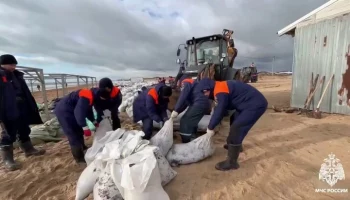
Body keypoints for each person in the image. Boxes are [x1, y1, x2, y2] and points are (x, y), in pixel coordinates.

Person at [197, 78, 267, 171]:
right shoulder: (219, 86)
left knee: (237, 127)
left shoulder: (220, 91)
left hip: (255, 105)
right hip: (246, 104)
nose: (204, 95)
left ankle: (232, 162)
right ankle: (236, 146)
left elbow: (220, 110)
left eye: (204, 92)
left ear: (209, 88)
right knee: (234, 119)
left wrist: (210, 127)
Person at [54, 78, 122, 164]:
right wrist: (85, 126)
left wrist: (93, 121)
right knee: (73, 133)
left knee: (78, 130)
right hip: (64, 111)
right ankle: (79, 159)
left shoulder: (92, 97)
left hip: (72, 110)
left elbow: (88, 110)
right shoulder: (87, 96)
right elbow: (79, 112)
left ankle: (82, 147)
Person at [0, 54, 46, 171]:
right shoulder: (1, 75)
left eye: (15, 64)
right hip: (7, 111)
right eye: (11, 64)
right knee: (8, 134)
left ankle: (28, 150)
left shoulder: (17, 75)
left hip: (21, 108)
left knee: (24, 129)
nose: (13, 67)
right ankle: (7, 160)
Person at [170, 76, 210, 143]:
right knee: (192, 121)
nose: (177, 85)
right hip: (203, 104)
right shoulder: (193, 84)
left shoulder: (186, 82)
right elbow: (185, 103)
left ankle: (186, 140)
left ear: (180, 81)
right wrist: (178, 111)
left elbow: (183, 96)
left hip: (199, 103)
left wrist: (176, 109)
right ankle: (193, 136)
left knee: (185, 121)